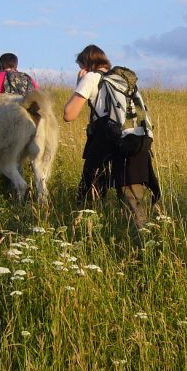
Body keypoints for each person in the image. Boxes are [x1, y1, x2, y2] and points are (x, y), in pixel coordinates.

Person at [63, 44, 160, 235]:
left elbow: (68, 114)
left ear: (86, 64)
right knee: (135, 207)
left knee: (89, 203)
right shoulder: (123, 81)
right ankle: (146, 249)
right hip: (135, 144)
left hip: (106, 145)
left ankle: (88, 241)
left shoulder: (91, 77)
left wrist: (79, 84)